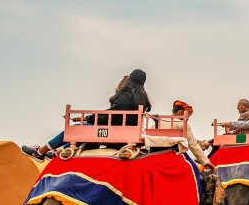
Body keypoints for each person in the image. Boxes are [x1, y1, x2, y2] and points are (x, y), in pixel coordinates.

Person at [22, 69, 151, 159]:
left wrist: (88, 118)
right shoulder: (143, 100)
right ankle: (57, 153)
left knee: (76, 128)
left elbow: (109, 117)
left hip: (114, 131)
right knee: (84, 125)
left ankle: (40, 151)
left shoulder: (125, 97)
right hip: (129, 133)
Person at [144, 99, 212, 170]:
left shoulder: (157, 123)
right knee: (194, 169)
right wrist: (206, 162)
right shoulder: (183, 124)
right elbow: (192, 144)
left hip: (153, 154)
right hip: (173, 153)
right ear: (181, 112)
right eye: (187, 116)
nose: (187, 119)